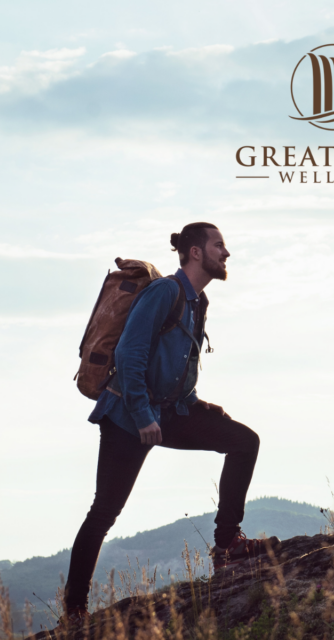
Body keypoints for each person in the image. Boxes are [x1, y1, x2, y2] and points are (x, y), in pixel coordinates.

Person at [64, 222, 278, 621]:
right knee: (104, 512)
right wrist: (143, 415)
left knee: (243, 441)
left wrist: (199, 407)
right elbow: (129, 354)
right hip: (128, 415)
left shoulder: (198, 302)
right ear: (196, 252)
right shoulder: (165, 292)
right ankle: (75, 610)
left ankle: (227, 545)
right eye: (219, 245)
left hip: (169, 411)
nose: (226, 253)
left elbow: (179, 368)